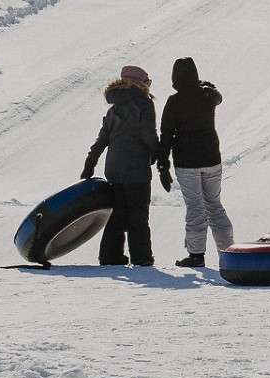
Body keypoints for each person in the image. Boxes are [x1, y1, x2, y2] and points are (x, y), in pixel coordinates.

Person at [81, 64, 166, 267]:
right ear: (140, 83)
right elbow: (148, 133)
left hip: (114, 168)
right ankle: (142, 258)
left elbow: (102, 139)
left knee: (116, 216)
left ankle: (110, 257)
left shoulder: (114, 108)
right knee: (138, 215)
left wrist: (90, 163)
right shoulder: (144, 104)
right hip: (136, 168)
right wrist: (157, 154)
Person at [159, 56, 230, 268]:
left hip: (186, 161)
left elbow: (166, 134)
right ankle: (229, 253)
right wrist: (207, 85)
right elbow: (218, 96)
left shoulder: (174, 101)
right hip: (211, 158)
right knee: (214, 205)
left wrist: (163, 164)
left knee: (196, 207)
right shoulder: (208, 96)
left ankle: (196, 255)